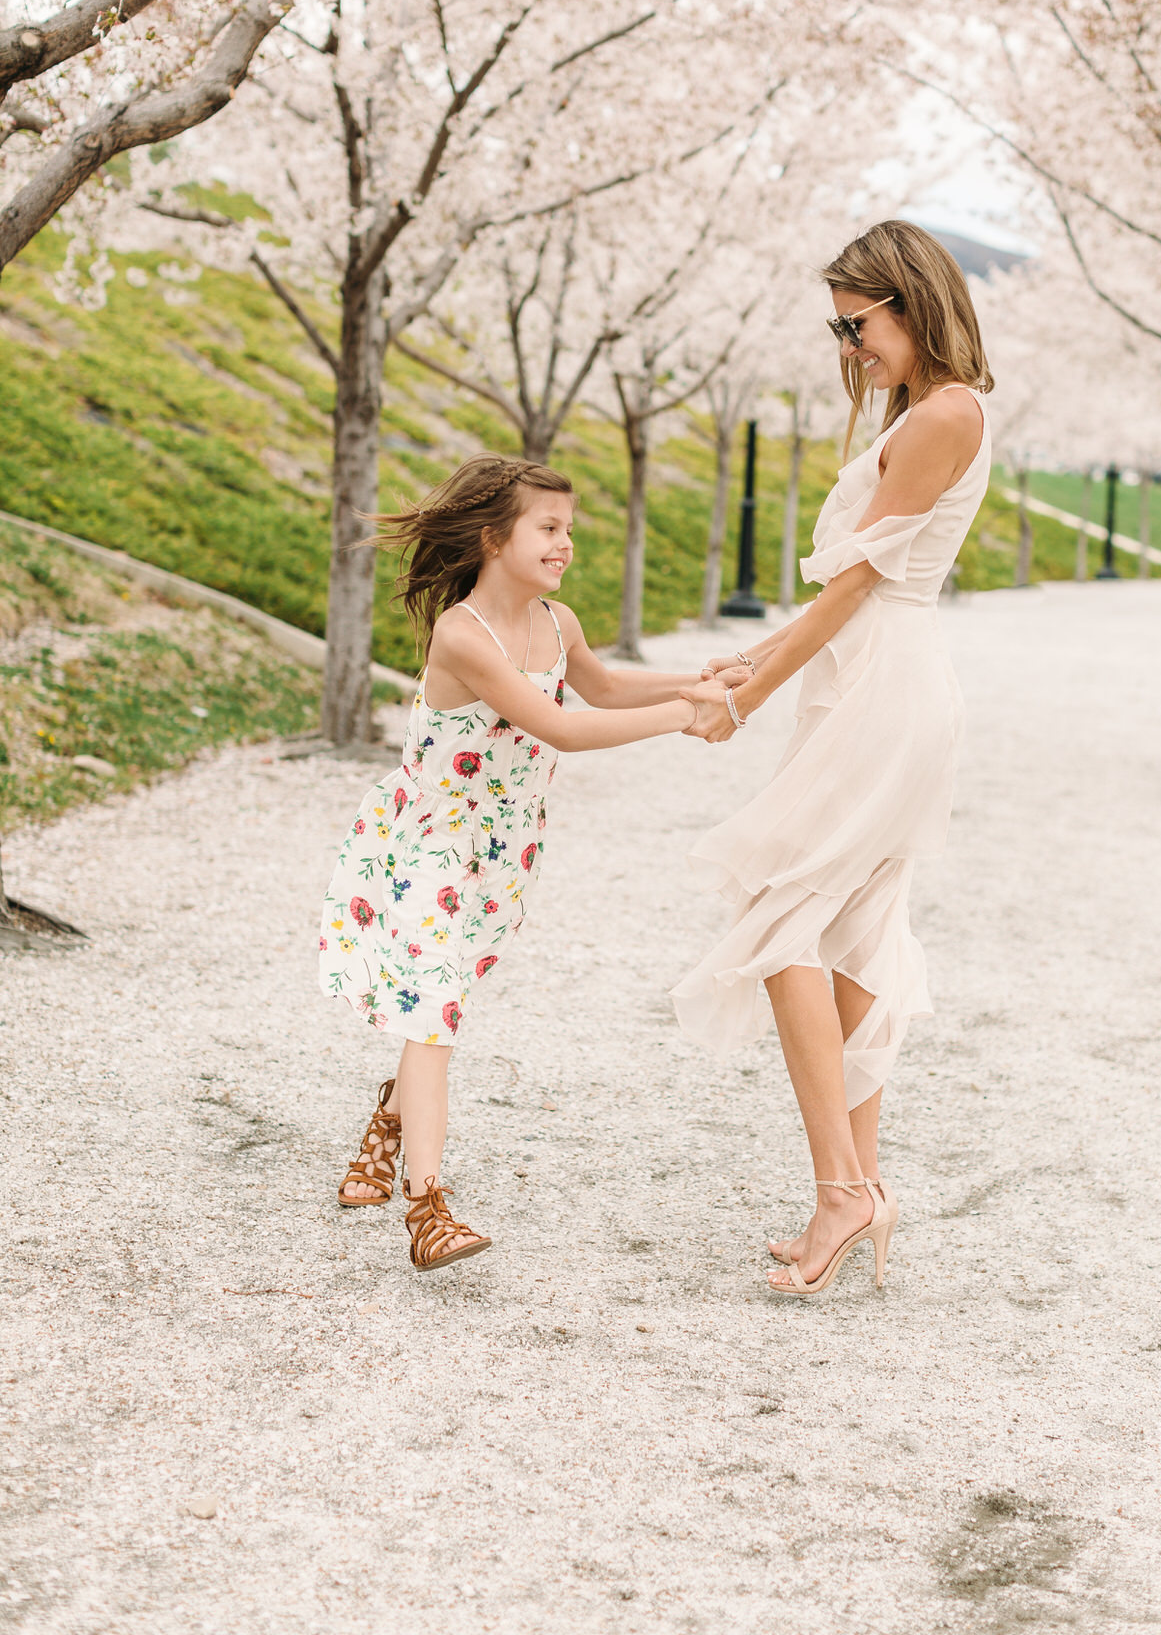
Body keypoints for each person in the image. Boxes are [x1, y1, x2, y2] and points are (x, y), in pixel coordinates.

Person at [670, 220, 993, 1298]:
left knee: (779, 911)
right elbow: (843, 592)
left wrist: (753, 691)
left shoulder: (944, 414)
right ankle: (856, 1188)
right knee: (850, 932)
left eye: (856, 323)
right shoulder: (925, 414)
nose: (847, 344)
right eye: (840, 326)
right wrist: (753, 658)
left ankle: (843, 1191)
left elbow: (857, 583)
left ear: (908, 302)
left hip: (883, 685)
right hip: (868, 678)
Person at [320, 455, 731, 1272]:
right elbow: (565, 727)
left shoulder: (558, 622)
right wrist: (686, 715)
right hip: (425, 847)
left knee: (439, 1006)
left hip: (504, 851)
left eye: (568, 528)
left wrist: (707, 675)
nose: (565, 542)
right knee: (434, 1011)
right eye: (548, 527)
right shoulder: (461, 635)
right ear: (490, 536)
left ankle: (388, 1124)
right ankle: (426, 1205)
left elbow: (605, 691)